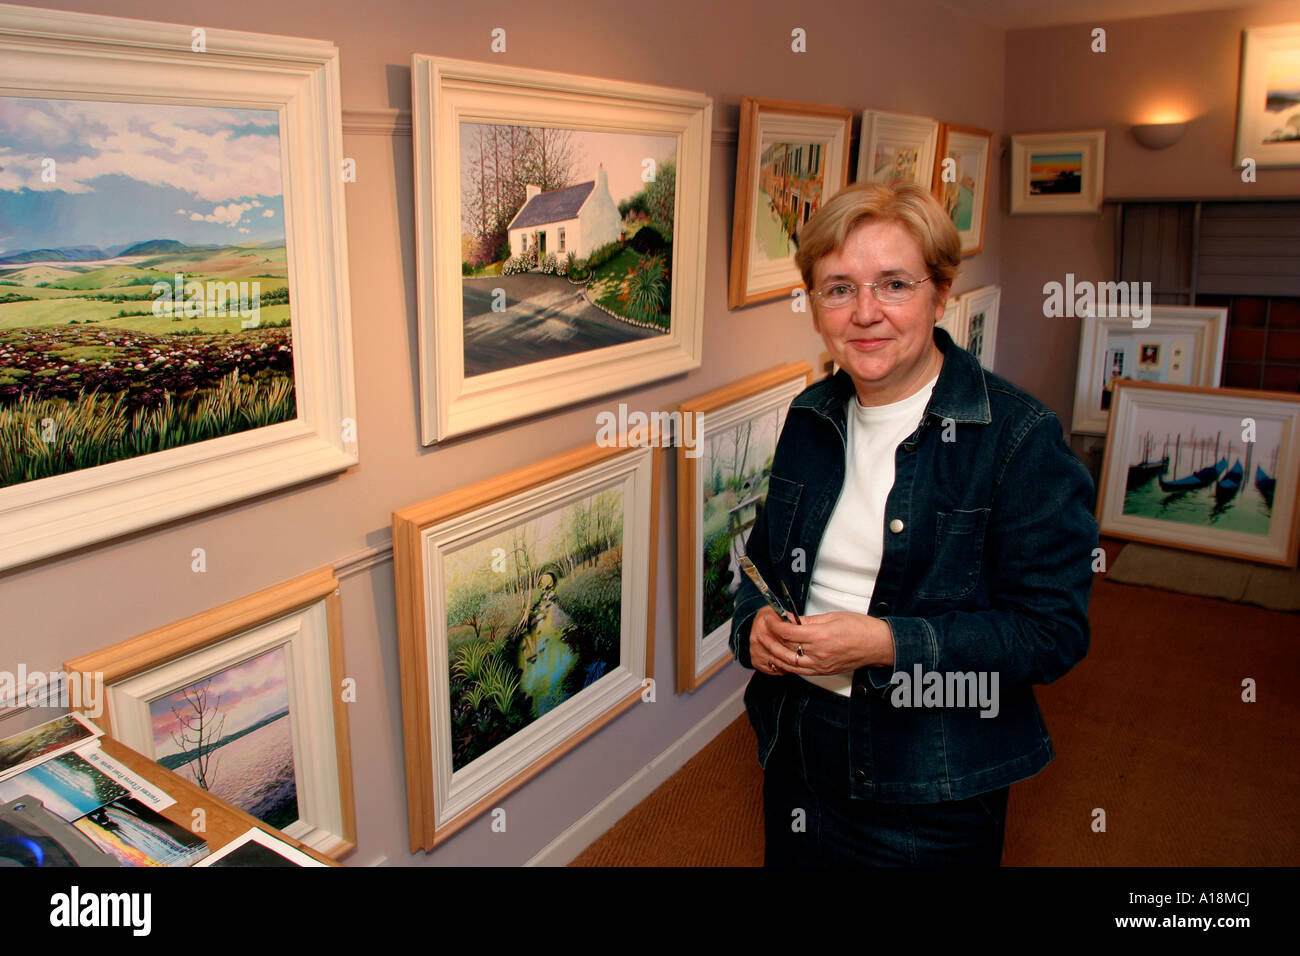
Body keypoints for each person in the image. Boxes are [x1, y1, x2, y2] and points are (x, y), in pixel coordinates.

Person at [730, 181, 1099, 867]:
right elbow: (761, 565)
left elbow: (1052, 633)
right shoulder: (811, 419)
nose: (864, 313)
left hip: (931, 785)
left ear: (941, 291)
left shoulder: (1018, 440)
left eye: (893, 284)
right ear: (814, 306)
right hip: (798, 752)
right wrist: (752, 623)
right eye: (838, 288)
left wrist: (886, 644)